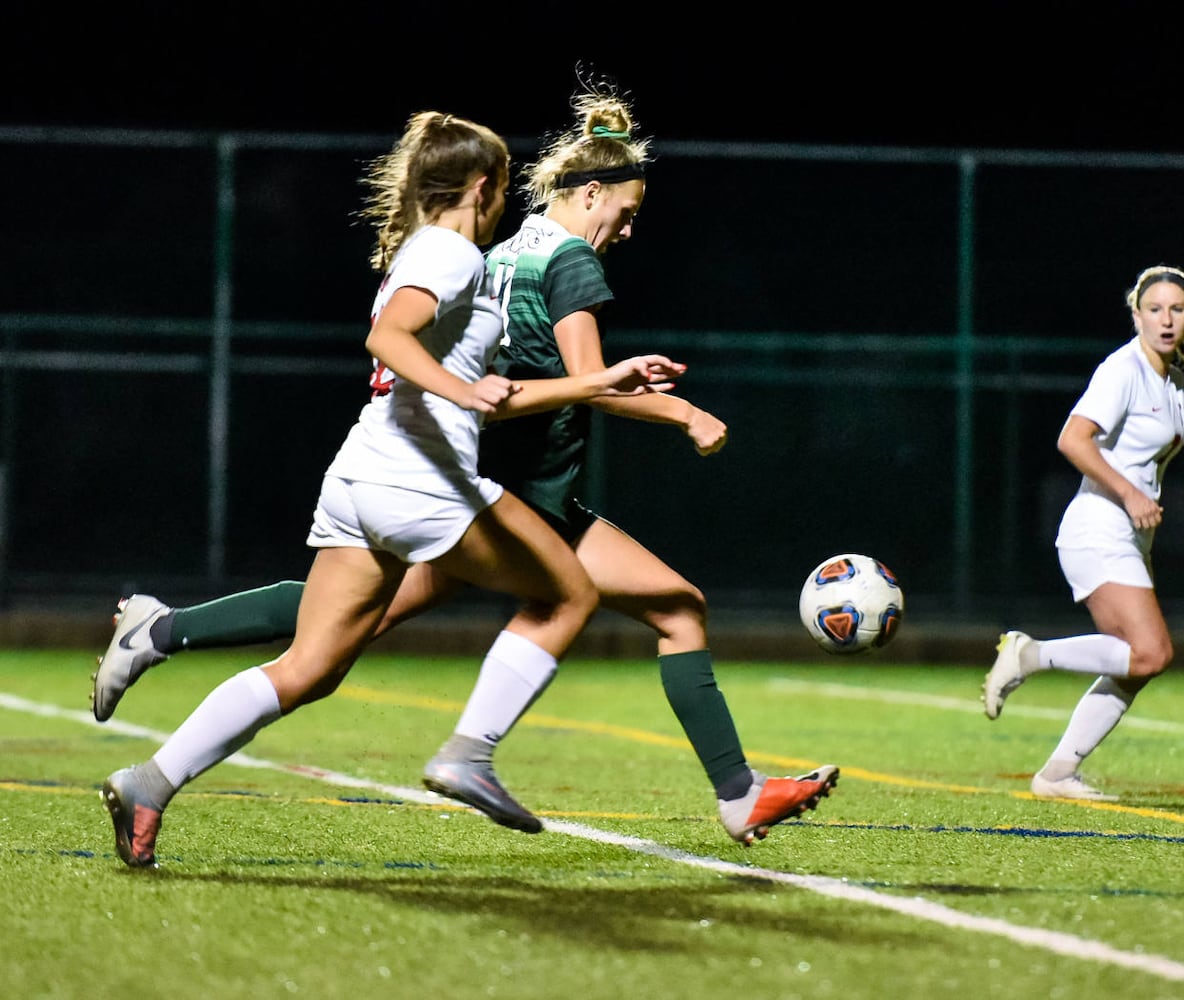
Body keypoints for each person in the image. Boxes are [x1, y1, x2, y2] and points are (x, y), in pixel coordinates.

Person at [95, 86, 838, 850]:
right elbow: (395, 341)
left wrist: (587, 384)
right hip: (436, 482)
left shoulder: (486, 255)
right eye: (626, 210)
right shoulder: (477, 253)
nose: (627, 227)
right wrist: (664, 408)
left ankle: (150, 769)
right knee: (565, 596)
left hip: (377, 469)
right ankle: (469, 752)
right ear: (484, 187)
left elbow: (499, 391)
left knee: (318, 659)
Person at [980, 264, 1184, 801]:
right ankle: (1029, 655)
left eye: (1177, 309)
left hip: (1127, 539)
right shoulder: (1122, 370)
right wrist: (1129, 493)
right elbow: (1073, 440)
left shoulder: (1176, 386)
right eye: (1155, 309)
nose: (1166, 319)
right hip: (1096, 528)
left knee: (1133, 664)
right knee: (1152, 653)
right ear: (1136, 315)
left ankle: (1056, 774)